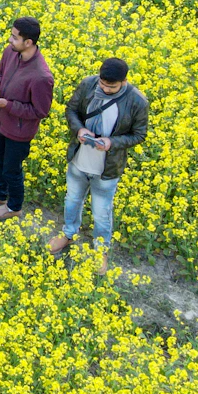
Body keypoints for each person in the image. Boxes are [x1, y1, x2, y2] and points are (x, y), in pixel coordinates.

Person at [50, 56, 149, 256]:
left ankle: (101, 251)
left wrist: (112, 143)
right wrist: (79, 130)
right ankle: (68, 234)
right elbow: (71, 110)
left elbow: (139, 135)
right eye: (102, 84)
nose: (105, 89)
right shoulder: (88, 85)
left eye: (111, 87)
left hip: (107, 168)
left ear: (124, 81)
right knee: (72, 201)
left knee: (102, 213)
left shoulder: (137, 101)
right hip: (80, 160)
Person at [0, 16, 53, 220]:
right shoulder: (10, 52)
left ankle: (14, 206)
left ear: (29, 42)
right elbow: (0, 74)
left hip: (19, 131)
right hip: (2, 121)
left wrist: (7, 105)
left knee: (11, 170)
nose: (9, 40)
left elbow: (40, 112)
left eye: (15, 37)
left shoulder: (42, 76)